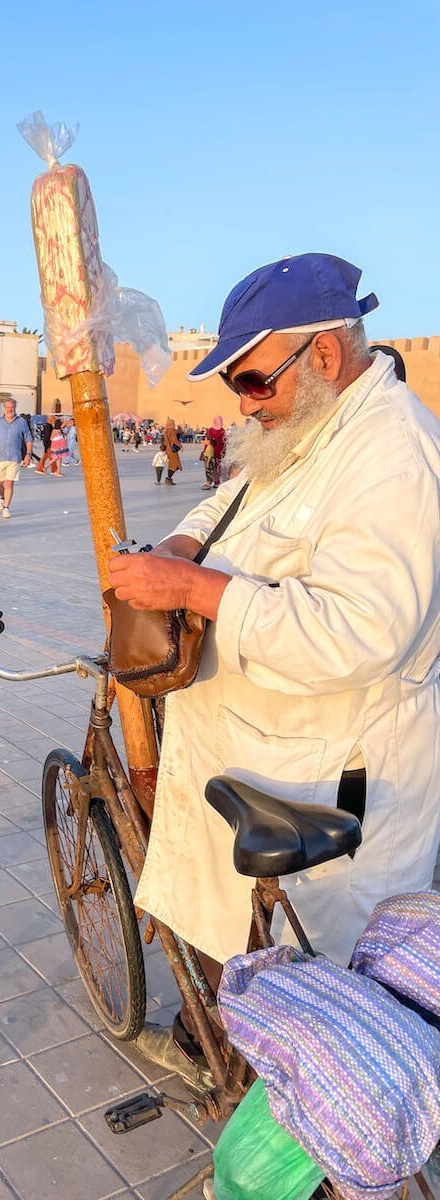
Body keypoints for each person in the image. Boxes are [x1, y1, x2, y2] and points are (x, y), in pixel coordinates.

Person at [108, 252, 439, 1073]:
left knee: (330, 1017)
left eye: (255, 381)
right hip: (256, 753)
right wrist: (184, 542)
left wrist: (195, 586)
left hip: (331, 781)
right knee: (241, 945)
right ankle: (233, 1054)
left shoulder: (391, 455)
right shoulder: (309, 424)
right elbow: (236, 497)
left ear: (322, 356)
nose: (246, 405)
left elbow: (360, 631)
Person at [0, 399, 32, 519]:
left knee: (9, 483)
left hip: (14, 458)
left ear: (15, 407)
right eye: (8, 407)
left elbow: (28, 439)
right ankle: (3, 497)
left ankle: (6, 508)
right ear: (4, 408)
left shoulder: (21, 422)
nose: (10, 409)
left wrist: (28, 454)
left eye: (12, 407)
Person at [163, 417, 182, 484]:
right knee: (175, 465)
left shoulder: (166, 431)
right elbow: (174, 440)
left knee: (171, 464)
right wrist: (180, 446)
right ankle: (168, 478)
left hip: (168, 449)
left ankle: (169, 478)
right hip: (172, 450)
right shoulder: (172, 430)